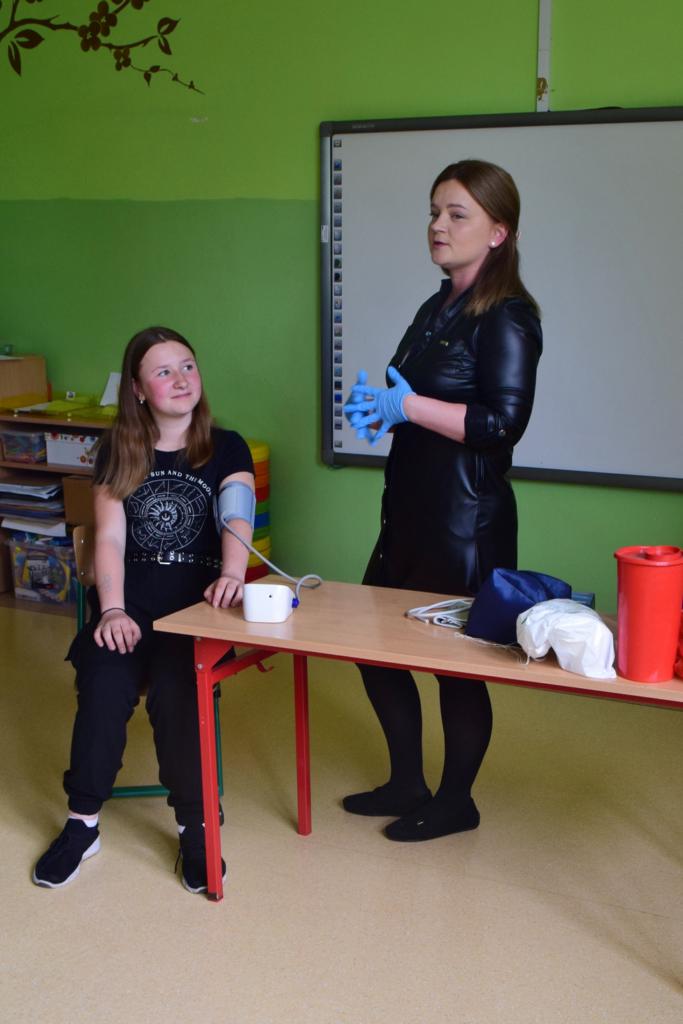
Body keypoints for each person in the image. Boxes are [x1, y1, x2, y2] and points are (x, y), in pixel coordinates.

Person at [342, 160, 542, 841]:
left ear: (497, 231)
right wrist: (385, 411)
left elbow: (501, 424)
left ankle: (456, 801)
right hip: (407, 516)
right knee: (376, 651)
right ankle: (406, 781)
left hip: (464, 527)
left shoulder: (508, 316)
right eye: (434, 211)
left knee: (455, 670)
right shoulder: (436, 308)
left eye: (457, 214)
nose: (438, 225)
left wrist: (409, 406)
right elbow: (423, 400)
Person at [32, 326, 255, 892]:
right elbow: (108, 537)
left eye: (188, 366)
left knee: (180, 693)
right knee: (105, 687)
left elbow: (237, 516)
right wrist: (111, 611)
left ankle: (195, 826)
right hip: (127, 605)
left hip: (195, 612)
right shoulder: (118, 450)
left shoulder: (227, 446)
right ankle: (82, 825)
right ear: (137, 388)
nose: (181, 379)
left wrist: (232, 573)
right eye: (163, 371)